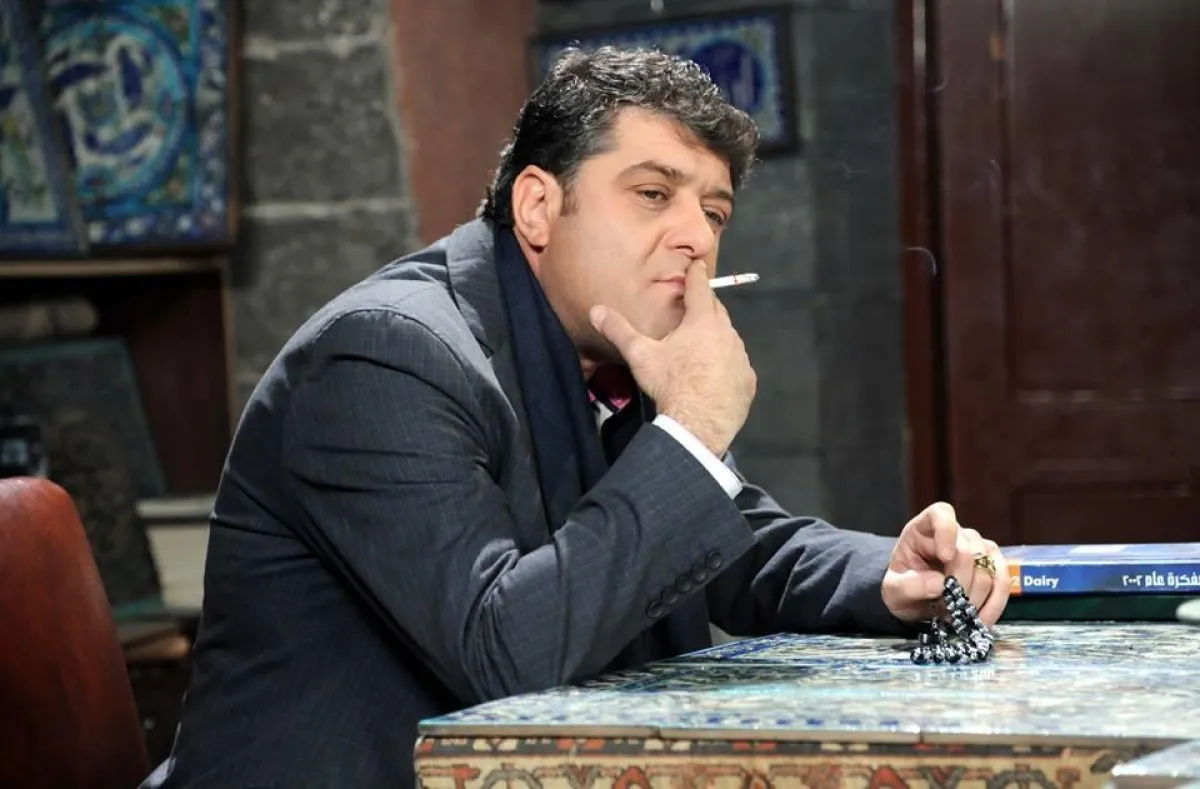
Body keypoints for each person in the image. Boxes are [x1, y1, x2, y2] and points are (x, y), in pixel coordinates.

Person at [143, 46, 1010, 789]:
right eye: (653, 193)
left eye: (713, 211)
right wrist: (693, 427)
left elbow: (733, 543)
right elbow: (506, 653)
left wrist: (888, 574)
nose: (696, 237)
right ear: (536, 208)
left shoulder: (611, 352)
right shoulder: (387, 356)